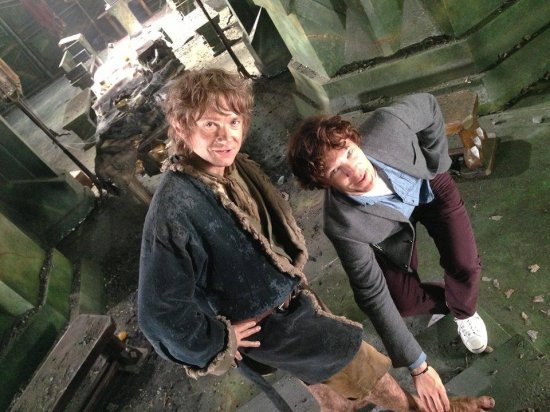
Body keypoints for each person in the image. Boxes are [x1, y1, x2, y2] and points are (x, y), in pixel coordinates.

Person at [138, 69, 495, 412]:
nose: (225, 136)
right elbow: (158, 315)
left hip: (291, 295)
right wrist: (218, 340)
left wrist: (436, 165)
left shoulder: (232, 167)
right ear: (181, 127)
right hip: (266, 322)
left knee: (327, 375)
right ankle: (432, 409)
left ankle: (336, 402)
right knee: (355, 360)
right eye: (209, 124)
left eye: (233, 121)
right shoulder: (175, 208)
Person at [288, 93, 490, 408]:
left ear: (354, 140)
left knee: (463, 264)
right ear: (324, 184)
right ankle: (454, 300)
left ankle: (464, 311)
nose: (354, 170)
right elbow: (371, 293)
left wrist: (437, 164)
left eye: (349, 153)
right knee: (404, 303)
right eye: (336, 171)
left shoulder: (388, 124)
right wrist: (418, 366)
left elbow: (428, 105)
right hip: (392, 229)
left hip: (429, 189)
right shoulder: (341, 223)